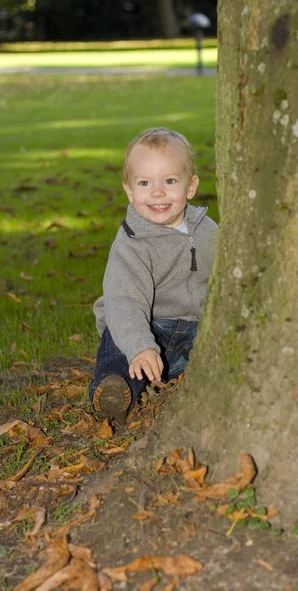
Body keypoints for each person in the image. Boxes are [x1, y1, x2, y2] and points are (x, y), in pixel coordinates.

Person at [89, 127, 218, 423]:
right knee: (119, 351)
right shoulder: (131, 242)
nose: (157, 192)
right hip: (143, 325)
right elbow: (123, 301)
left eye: (169, 181)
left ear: (191, 186)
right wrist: (140, 347)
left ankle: (186, 384)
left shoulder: (209, 231)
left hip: (192, 329)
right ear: (129, 191)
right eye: (145, 183)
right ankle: (114, 390)